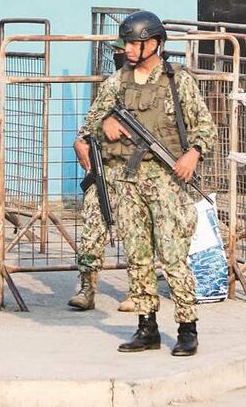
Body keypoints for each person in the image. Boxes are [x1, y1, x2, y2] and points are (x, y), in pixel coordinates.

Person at [76, 11, 216, 356]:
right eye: (126, 43)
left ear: (154, 44)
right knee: (137, 255)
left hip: (165, 179)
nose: (128, 49)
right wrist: (106, 122)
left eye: (134, 43)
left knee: (172, 254)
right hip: (127, 180)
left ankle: (187, 328)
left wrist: (193, 154)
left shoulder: (177, 81)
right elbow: (91, 123)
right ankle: (146, 326)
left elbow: (205, 126)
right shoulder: (116, 82)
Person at [67, 38, 135, 313]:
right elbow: (92, 120)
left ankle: (137, 290)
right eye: (118, 51)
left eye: (125, 49)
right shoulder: (112, 84)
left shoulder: (159, 85)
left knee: (135, 231)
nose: (122, 54)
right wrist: (81, 141)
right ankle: (87, 287)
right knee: (92, 230)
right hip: (104, 168)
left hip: (137, 172)